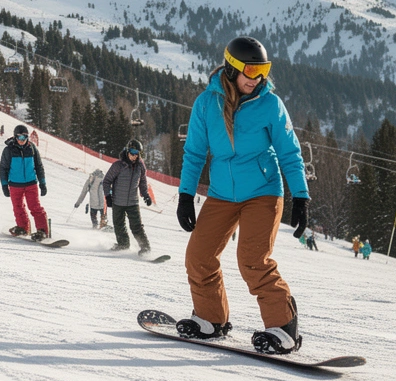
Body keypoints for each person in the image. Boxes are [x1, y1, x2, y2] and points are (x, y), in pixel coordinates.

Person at [175, 36, 310, 355]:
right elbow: (194, 152)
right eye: (252, 70)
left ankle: (283, 327)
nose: (258, 78)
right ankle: (211, 319)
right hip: (222, 193)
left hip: (263, 192)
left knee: (252, 260)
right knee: (199, 256)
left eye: (264, 70)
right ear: (232, 68)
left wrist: (300, 197)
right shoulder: (206, 104)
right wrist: (185, 194)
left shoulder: (270, 105)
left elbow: (290, 153)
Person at [103, 139, 153, 254]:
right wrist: (108, 196)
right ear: (127, 151)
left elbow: (143, 182)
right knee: (119, 225)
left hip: (133, 202)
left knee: (137, 227)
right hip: (117, 202)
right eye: (132, 153)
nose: (134, 156)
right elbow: (106, 181)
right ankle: (123, 245)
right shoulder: (118, 165)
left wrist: (145, 195)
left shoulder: (140, 166)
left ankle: (145, 248)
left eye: (137, 154)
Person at [0, 125, 50, 241]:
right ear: (15, 136)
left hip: (31, 184)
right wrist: (4, 185)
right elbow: (3, 168)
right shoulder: (9, 150)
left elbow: (39, 166)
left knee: (35, 207)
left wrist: (42, 183)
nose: (22, 140)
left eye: (25, 137)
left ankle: (42, 231)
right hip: (14, 185)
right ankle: (23, 227)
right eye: (20, 137)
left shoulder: (31, 148)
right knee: (18, 207)